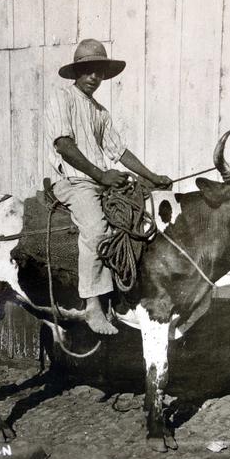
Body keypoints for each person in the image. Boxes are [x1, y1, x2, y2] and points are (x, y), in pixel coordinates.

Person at [44, 38, 172, 335]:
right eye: (88, 71)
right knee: (97, 230)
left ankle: (124, 296)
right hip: (73, 182)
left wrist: (151, 176)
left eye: (99, 72)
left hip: (98, 182)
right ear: (77, 72)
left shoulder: (100, 112)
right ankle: (92, 305)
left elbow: (120, 151)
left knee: (134, 218)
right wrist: (101, 176)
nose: (94, 78)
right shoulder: (61, 98)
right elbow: (64, 145)